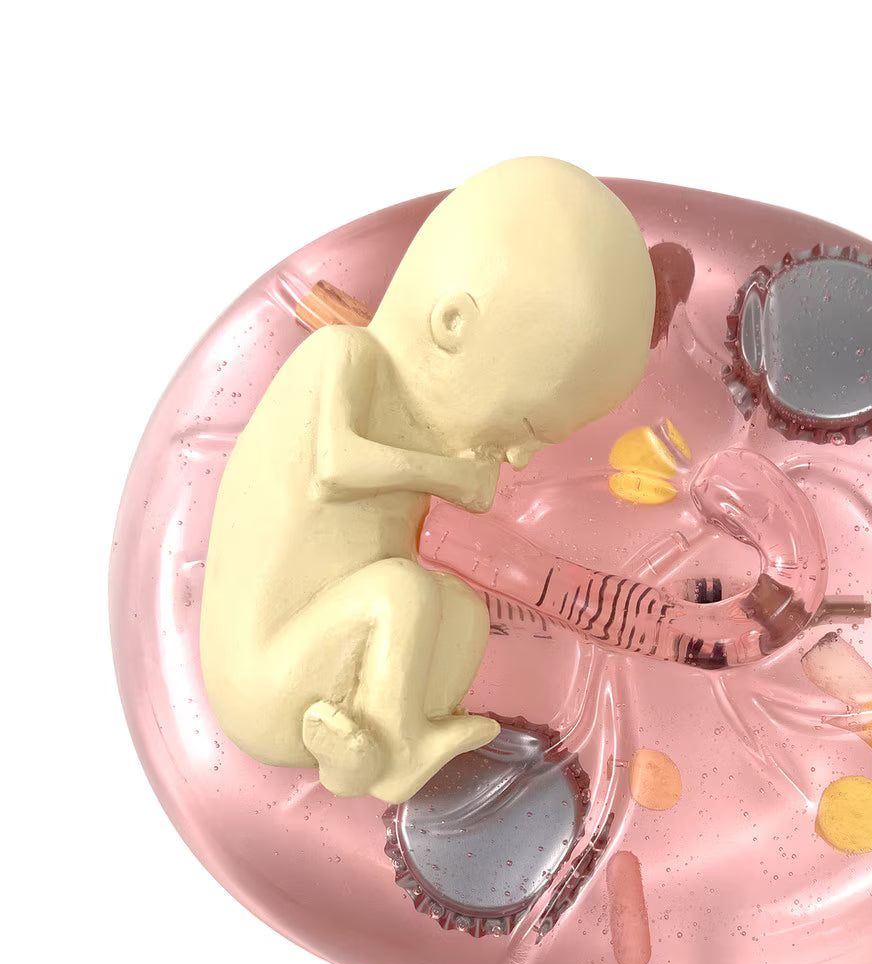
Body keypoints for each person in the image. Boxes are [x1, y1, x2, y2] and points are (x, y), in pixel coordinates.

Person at [200, 157, 655, 805]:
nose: (519, 457)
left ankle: (378, 746)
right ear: (453, 325)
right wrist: (450, 475)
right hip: (263, 677)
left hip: (333, 645)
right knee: (399, 591)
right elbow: (335, 464)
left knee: (461, 611)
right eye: (526, 426)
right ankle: (395, 757)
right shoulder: (344, 356)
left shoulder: (417, 421)